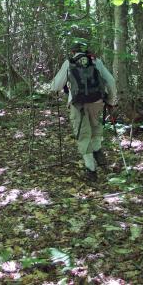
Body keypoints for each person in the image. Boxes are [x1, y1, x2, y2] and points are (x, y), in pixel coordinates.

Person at [50, 40, 117, 181]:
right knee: (95, 127)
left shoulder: (69, 63)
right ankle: (98, 152)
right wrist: (111, 101)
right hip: (97, 101)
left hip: (78, 105)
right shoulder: (95, 61)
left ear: (72, 51)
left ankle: (91, 170)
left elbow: (55, 86)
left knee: (83, 135)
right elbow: (110, 80)